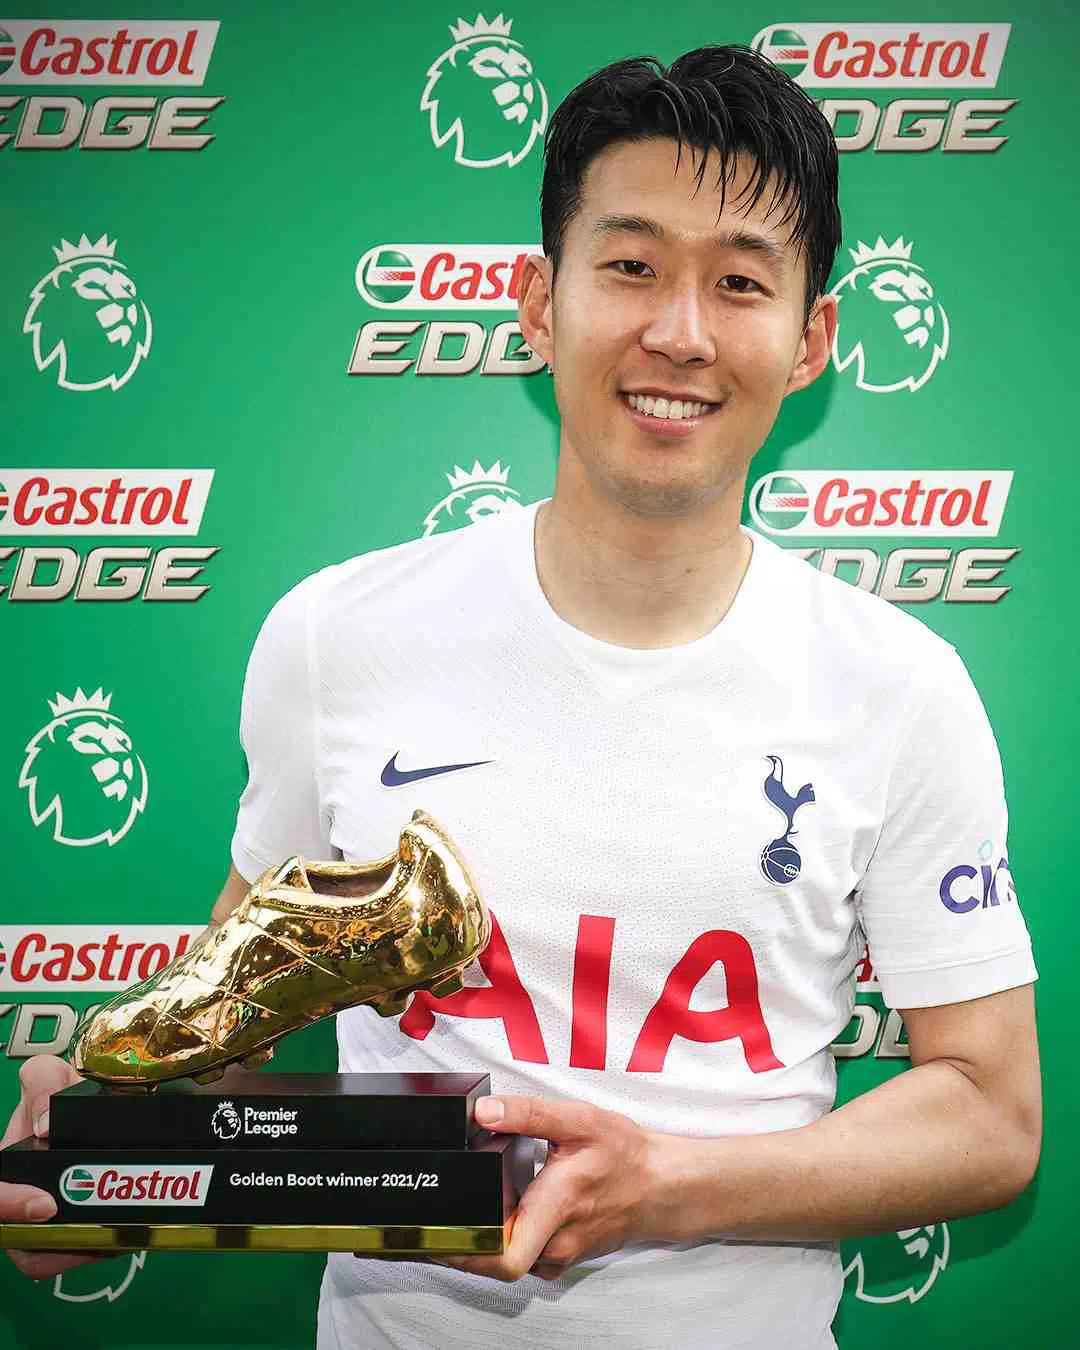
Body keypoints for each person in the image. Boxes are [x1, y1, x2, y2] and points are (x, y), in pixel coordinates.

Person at [3, 44, 1041, 1350]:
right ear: (538, 306)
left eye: (739, 281)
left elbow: (991, 1112)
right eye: (631, 265)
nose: (680, 331)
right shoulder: (337, 637)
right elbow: (248, 999)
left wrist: (667, 1186)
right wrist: (104, 1144)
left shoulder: (901, 687)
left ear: (811, 339)